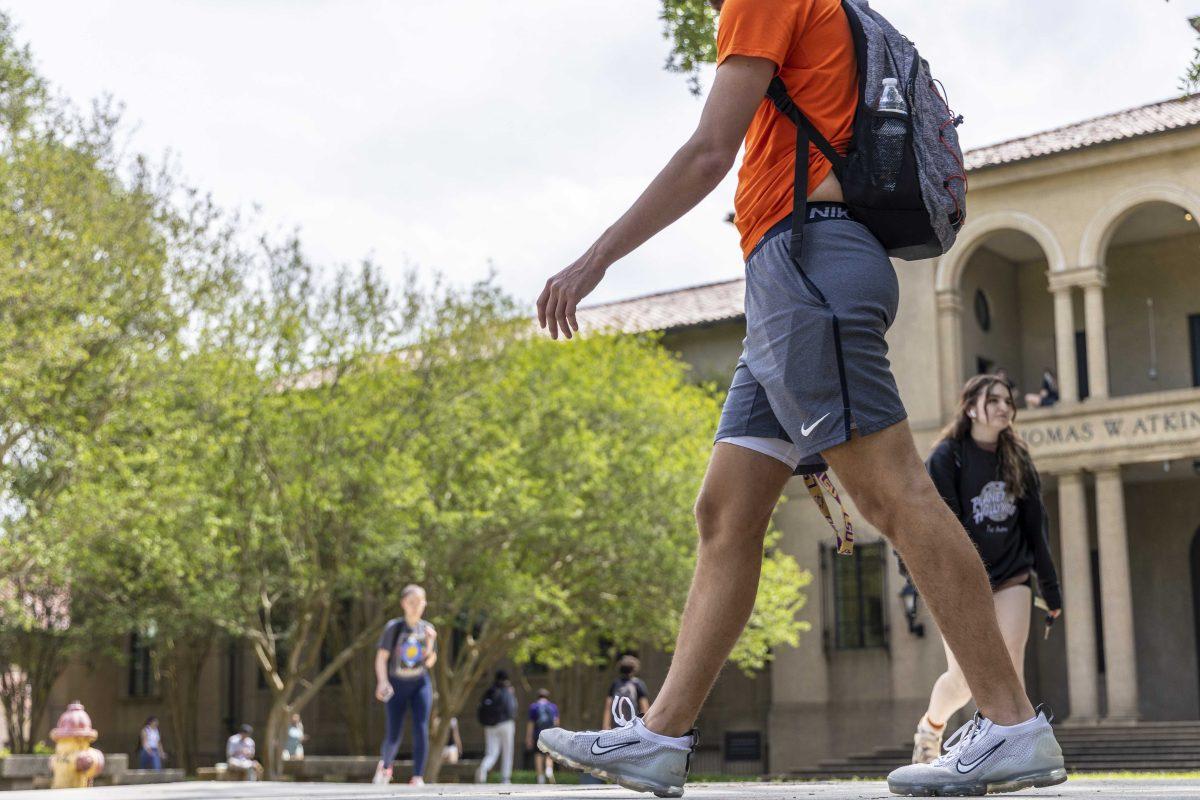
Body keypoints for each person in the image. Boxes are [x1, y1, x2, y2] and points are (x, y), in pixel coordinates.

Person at [533, 0, 1066, 796]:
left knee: (895, 493)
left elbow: (710, 150)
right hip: (789, 279)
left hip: (808, 263)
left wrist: (595, 260)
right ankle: (661, 737)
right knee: (726, 511)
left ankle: (1012, 723)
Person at [910, 375, 1063, 763]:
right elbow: (936, 526)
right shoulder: (948, 456)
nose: (1003, 407)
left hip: (1012, 575)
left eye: (1007, 401)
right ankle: (931, 726)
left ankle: (1016, 748)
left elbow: (1035, 527)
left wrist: (1051, 589)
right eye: (992, 400)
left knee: (1011, 663)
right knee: (962, 680)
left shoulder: (1017, 458)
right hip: (963, 581)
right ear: (970, 407)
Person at [373, 584, 437, 786]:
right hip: (396, 684)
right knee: (394, 732)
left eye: (420, 602)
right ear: (403, 604)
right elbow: (381, 658)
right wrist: (382, 681)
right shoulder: (394, 628)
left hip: (419, 683)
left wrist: (429, 643)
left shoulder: (428, 629)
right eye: (412, 602)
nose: (416, 606)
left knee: (421, 727)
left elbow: (428, 661)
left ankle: (418, 775)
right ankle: (386, 766)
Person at [475, 669, 517, 784]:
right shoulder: (508, 691)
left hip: (490, 726)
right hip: (506, 724)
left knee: (491, 752)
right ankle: (505, 778)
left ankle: (483, 768)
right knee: (507, 751)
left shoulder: (490, 691)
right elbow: (513, 709)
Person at [603, 655, 650, 730]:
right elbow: (644, 708)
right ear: (634, 669)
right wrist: (646, 727)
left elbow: (608, 707)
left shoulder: (615, 684)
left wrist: (605, 726)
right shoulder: (638, 684)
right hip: (633, 728)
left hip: (616, 727)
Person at [526, 689, 560, 784]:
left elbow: (531, 724)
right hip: (550, 734)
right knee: (549, 754)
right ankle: (549, 770)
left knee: (538, 755)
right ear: (547, 697)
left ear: (538, 696)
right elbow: (556, 722)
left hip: (538, 734)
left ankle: (540, 777)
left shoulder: (534, 707)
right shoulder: (553, 707)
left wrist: (529, 737)